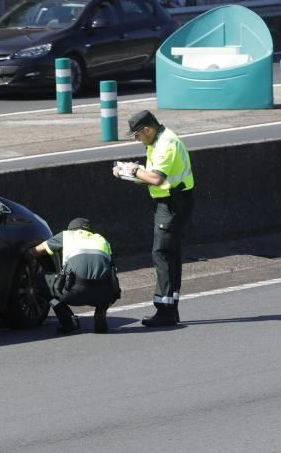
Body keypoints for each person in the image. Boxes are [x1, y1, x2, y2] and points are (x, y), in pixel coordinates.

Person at [113, 110, 195, 327]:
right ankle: (171, 307)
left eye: (137, 135)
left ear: (147, 129)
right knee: (171, 252)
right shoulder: (157, 141)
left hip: (172, 203)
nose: (137, 140)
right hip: (173, 201)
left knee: (162, 253)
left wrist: (135, 169)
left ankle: (165, 310)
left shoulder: (165, 144)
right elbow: (151, 179)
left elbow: (156, 179)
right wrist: (125, 173)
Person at [27, 217, 119, 334]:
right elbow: (113, 272)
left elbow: (37, 250)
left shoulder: (67, 235)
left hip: (73, 293)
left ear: (71, 228)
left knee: (41, 281)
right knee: (109, 283)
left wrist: (24, 255)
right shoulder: (102, 240)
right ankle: (101, 311)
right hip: (103, 295)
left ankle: (67, 320)